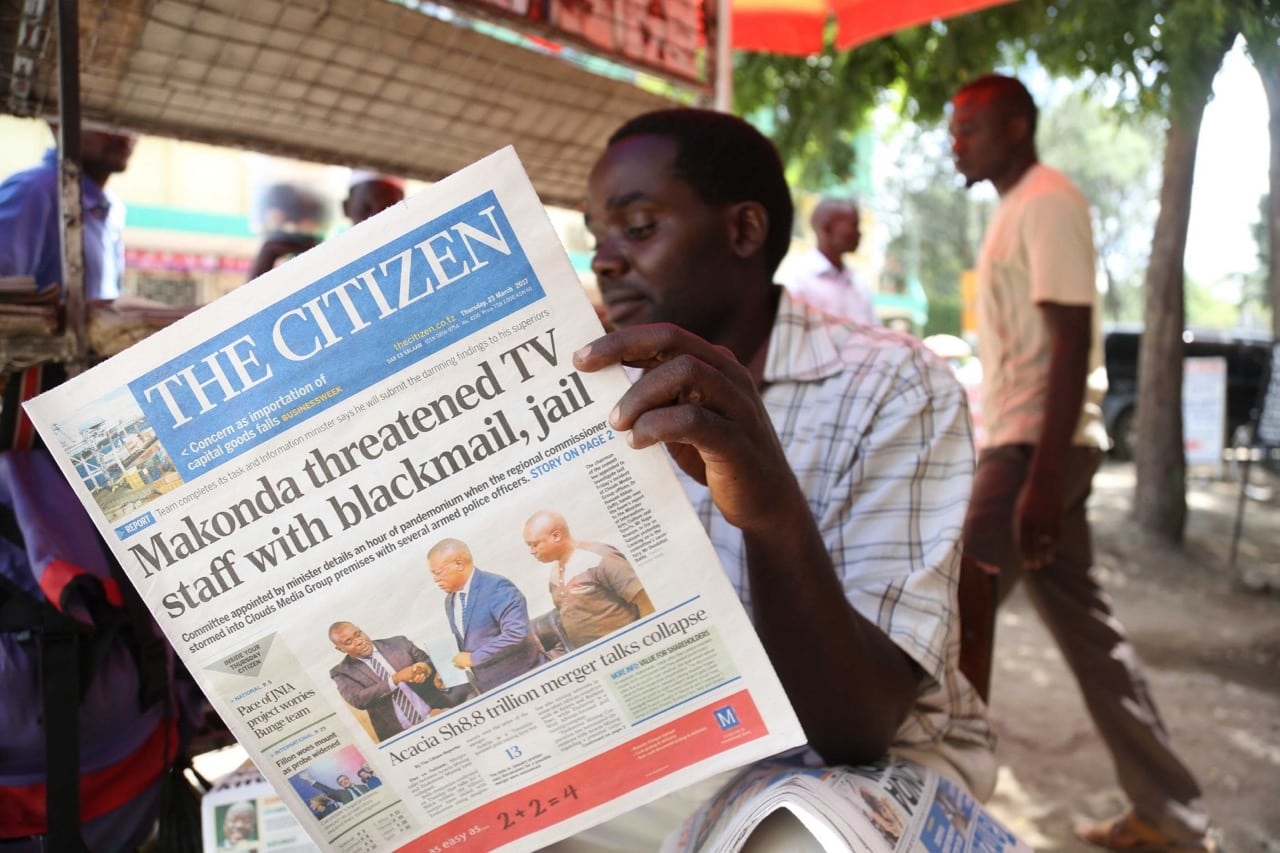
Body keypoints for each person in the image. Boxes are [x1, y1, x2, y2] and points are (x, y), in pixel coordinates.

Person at [551, 107, 993, 849]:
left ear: (745, 231)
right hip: (665, 751)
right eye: (598, 237)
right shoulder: (587, 390)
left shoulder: (891, 385)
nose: (604, 258)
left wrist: (770, 510)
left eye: (638, 225)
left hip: (855, 768)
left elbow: (856, 726)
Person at [950, 74, 1214, 852]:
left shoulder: (1048, 200)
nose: (955, 143)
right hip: (1027, 445)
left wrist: (1037, 478)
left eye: (969, 128)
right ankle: (1171, 815)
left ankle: (924, 810)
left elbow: (1070, 341)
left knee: (948, 620)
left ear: (1018, 127)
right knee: (1092, 636)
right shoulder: (1012, 209)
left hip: (1037, 447)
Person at [0, 126, 135, 302]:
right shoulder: (33, 190)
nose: (125, 136)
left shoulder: (111, 207)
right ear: (56, 125)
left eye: (129, 126)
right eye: (104, 124)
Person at [522, 510, 655, 650]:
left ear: (556, 536)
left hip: (628, 648)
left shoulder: (599, 557)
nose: (532, 551)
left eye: (535, 544)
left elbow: (644, 601)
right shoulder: (555, 573)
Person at [428, 538, 547, 693]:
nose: (435, 579)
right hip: (490, 688)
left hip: (526, 681)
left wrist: (473, 658)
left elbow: (516, 633)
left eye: (438, 572)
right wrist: (445, 670)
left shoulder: (497, 587)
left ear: (459, 564)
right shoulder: (450, 600)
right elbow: (468, 641)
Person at [328, 621, 466, 741]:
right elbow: (358, 700)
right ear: (340, 649)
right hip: (400, 733)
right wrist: (395, 679)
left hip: (437, 712)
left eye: (358, 634)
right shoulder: (341, 672)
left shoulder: (398, 643)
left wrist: (425, 667)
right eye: (349, 642)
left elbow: (427, 661)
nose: (358, 641)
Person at [778, 197, 877, 326]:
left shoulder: (859, 283)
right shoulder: (796, 281)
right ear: (827, 228)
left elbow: (875, 330)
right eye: (854, 225)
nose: (859, 233)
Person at [300, 772, 369, 804]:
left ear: (349, 779)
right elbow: (327, 789)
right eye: (341, 782)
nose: (344, 782)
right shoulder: (341, 793)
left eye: (345, 779)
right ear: (341, 785)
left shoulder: (363, 786)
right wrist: (309, 779)